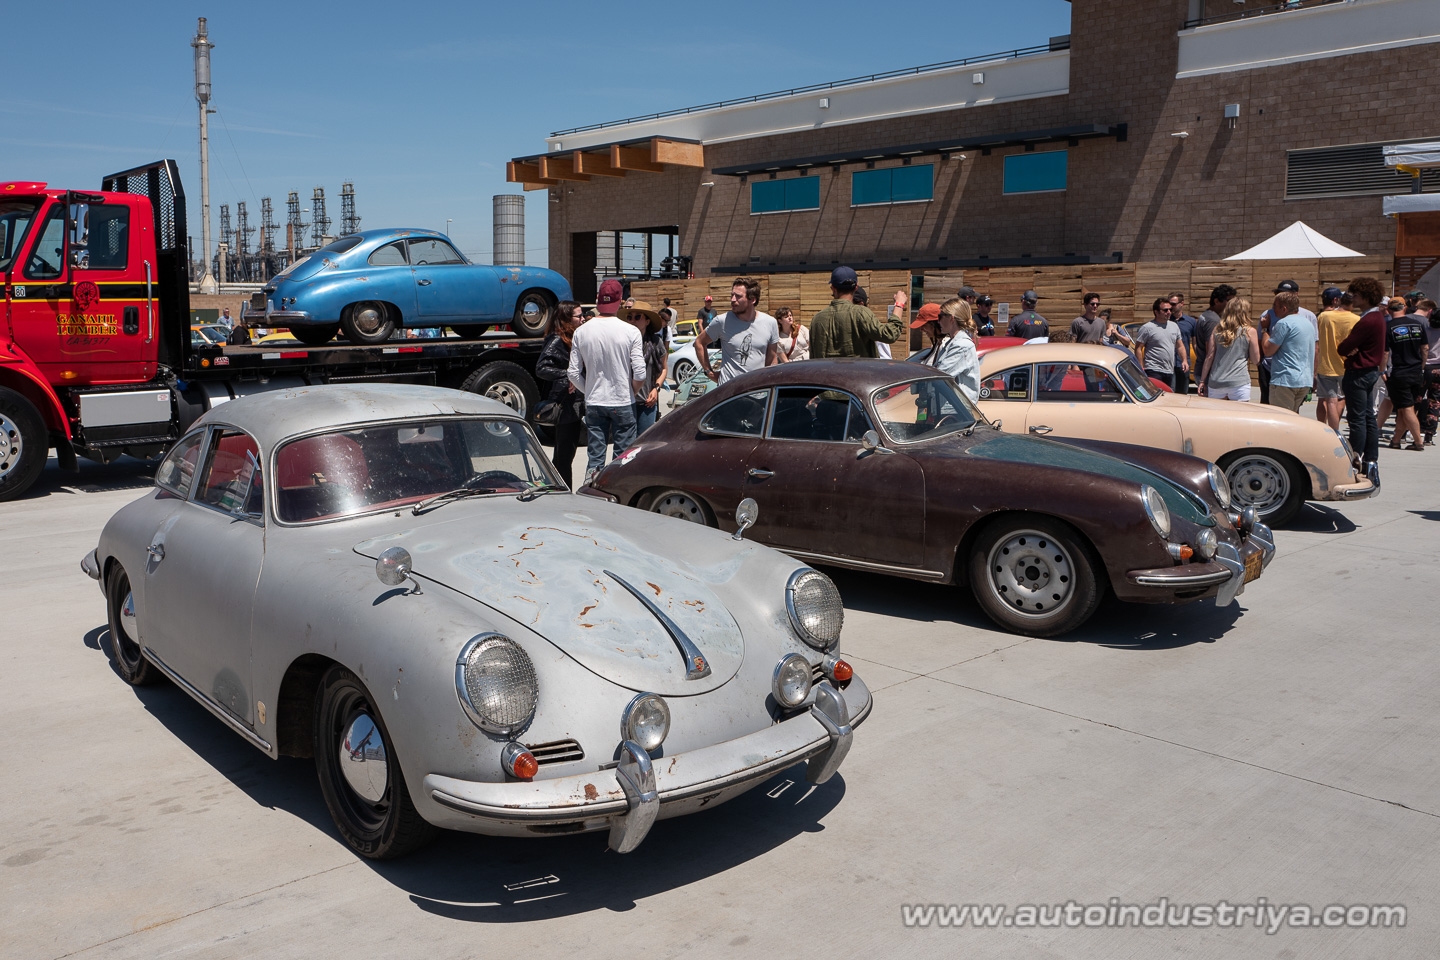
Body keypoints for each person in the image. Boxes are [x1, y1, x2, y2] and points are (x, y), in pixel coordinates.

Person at [568, 278, 645, 483]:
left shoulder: (582, 331)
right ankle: (618, 494)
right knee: (622, 460)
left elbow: (573, 373)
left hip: (595, 401)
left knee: (595, 456)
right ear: (620, 301)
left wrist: (589, 390)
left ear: (597, 299)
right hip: (622, 401)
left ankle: (591, 490)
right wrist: (632, 391)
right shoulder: (631, 331)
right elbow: (640, 373)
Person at [1336, 277, 1388, 473]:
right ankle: (1371, 458)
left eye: (1356, 295)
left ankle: (1354, 458)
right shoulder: (1377, 318)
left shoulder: (1368, 320)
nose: (1353, 299)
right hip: (1370, 371)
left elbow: (1344, 347)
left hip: (1358, 372)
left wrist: (1352, 350)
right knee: (1367, 418)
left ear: (1366, 297)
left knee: (1357, 419)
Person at [534, 300, 585, 487]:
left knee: (566, 453)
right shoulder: (557, 339)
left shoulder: (572, 337)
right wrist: (568, 375)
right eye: (578, 316)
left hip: (573, 402)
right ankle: (563, 492)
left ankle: (559, 488)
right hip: (563, 404)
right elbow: (542, 368)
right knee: (564, 455)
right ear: (565, 318)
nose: (582, 318)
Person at [808, 266, 905, 359]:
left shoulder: (817, 319)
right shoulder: (861, 313)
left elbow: (813, 357)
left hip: (826, 375)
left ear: (833, 288)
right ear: (856, 288)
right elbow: (890, 334)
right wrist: (899, 304)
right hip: (859, 375)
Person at [695, 277, 780, 383]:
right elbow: (699, 342)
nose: (733, 300)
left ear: (752, 300)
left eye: (738, 296)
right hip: (730, 393)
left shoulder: (770, 322)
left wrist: (768, 383)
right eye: (732, 295)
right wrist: (709, 371)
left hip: (758, 393)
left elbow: (772, 359)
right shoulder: (722, 321)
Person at [1382, 296, 1429, 451]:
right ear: (1405, 308)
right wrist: (1421, 366)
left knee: (1407, 408)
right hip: (1416, 371)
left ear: (1388, 310)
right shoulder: (1417, 325)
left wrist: (1382, 370)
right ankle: (1396, 440)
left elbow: (1385, 353)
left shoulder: (1388, 327)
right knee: (1406, 407)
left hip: (1399, 372)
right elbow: (1425, 348)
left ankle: (1418, 441)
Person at [913, 299, 981, 402]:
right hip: (949, 408)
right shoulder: (952, 343)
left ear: (951, 319)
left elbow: (939, 375)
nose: (938, 321)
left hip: (957, 410)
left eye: (940, 317)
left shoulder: (961, 345)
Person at [1259, 291, 1316, 412]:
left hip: (1285, 380)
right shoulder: (1308, 323)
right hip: (1304, 381)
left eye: (1275, 306)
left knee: (1280, 418)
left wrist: (1265, 329)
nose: (1272, 309)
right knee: (1293, 418)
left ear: (1284, 308)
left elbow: (1268, 350)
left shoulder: (1283, 323)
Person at [1315, 286, 1359, 430]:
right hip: (1346, 365)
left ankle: (1324, 430)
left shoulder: (1323, 317)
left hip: (1326, 365)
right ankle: (1335, 430)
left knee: (1328, 400)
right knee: (1342, 399)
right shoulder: (1356, 319)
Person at [1199, 297, 1259, 401]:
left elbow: (1209, 356)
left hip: (1217, 381)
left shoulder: (1217, 329)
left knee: (1217, 416)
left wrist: (1202, 381)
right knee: (1239, 415)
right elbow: (1256, 359)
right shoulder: (1250, 331)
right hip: (1239, 381)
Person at [624, 301, 667, 435]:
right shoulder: (621, 341)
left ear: (647, 321)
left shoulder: (656, 342)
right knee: (626, 446)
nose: (632, 321)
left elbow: (664, 369)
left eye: (638, 317)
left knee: (643, 444)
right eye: (629, 317)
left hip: (646, 402)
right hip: (624, 402)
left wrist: (656, 388)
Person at [1133, 298, 1187, 390]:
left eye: (1170, 309)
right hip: (1153, 370)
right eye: (1165, 310)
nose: (1169, 312)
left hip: (1170, 370)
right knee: (1155, 397)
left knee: (1169, 397)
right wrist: (1141, 368)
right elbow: (1138, 348)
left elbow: (1180, 345)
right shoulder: (1147, 328)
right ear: (1157, 312)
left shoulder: (1174, 326)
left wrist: (1184, 360)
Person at [1194, 284, 1236, 391]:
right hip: (1209, 374)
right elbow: (1211, 351)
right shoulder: (1213, 321)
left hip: (1202, 369)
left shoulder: (1205, 315)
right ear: (1217, 301)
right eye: (1229, 300)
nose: (1232, 304)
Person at [1168, 293, 1196, 393]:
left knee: (1183, 393)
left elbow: (1195, 343)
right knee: (1171, 392)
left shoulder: (1191, 322)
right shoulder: (1166, 321)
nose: (1171, 307)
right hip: (1169, 363)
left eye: (1174, 304)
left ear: (1182, 303)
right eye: (1169, 304)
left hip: (1183, 363)